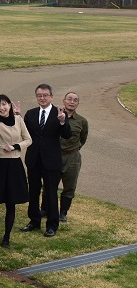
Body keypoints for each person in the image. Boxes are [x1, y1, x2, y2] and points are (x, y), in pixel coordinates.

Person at [20, 84, 72, 238]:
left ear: (51, 97)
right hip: (34, 159)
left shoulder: (60, 114)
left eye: (45, 95)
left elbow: (67, 135)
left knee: (50, 193)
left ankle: (52, 225)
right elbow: (23, 134)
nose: (42, 98)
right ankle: (34, 221)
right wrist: (16, 118)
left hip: (51, 161)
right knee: (33, 192)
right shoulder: (30, 114)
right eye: (39, 95)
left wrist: (63, 122)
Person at [0, 94, 31, 247]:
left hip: (14, 165)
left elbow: (28, 139)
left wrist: (16, 146)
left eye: (5, 104)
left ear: (10, 105)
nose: (2, 107)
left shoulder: (18, 119)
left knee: (11, 203)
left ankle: (6, 237)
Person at [57, 91, 89, 222]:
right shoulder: (55, 116)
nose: (72, 102)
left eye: (75, 100)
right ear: (63, 101)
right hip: (55, 156)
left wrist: (73, 150)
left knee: (69, 186)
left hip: (72, 158)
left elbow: (83, 139)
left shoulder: (82, 121)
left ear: (78, 104)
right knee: (49, 185)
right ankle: (45, 209)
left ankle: (63, 212)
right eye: (69, 99)